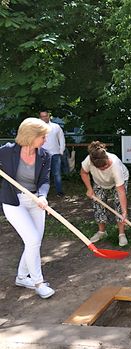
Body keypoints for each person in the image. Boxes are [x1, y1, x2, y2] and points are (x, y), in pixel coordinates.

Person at [0, 118, 55, 299]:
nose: (45, 140)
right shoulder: (7, 152)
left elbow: (45, 180)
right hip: (13, 202)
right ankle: (38, 283)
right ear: (31, 136)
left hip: (36, 201)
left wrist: (42, 196)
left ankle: (22, 277)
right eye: (43, 137)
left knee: (34, 241)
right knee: (32, 239)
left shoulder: (45, 155)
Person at [80, 141, 130, 246]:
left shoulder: (115, 165)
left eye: (106, 166)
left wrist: (124, 212)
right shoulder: (89, 160)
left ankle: (121, 234)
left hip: (120, 180)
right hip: (99, 182)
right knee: (98, 204)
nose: (105, 168)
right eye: (102, 168)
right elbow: (84, 173)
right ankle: (102, 232)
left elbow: (121, 191)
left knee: (119, 205)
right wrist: (89, 189)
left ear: (107, 159)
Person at [39, 110, 66, 196]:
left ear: (49, 116)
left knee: (57, 173)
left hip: (55, 153)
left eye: (45, 116)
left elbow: (61, 138)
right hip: (42, 154)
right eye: (42, 116)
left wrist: (61, 150)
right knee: (42, 174)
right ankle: (42, 192)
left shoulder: (56, 126)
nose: (44, 118)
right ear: (40, 118)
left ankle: (59, 191)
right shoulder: (37, 128)